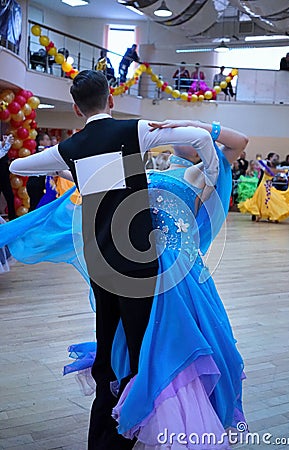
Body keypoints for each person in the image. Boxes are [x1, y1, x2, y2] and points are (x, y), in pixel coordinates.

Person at [10, 69, 224, 450]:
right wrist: (210, 169)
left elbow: (17, 167)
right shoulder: (133, 131)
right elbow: (200, 137)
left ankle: (107, 427)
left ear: (76, 109)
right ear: (111, 99)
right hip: (138, 263)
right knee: (141, 349)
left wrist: (66, 165)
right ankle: (136, 421)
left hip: (100, 262)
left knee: (108, 344)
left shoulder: (72, 147)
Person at [239, 153, 289, 222]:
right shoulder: (276, 170)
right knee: (270, 201)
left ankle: (259, 215)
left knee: (260, 201)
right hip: (269, 187)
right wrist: (287, 171)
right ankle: (270, 215)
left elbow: (261, 163)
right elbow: (285, 170)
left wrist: (258, 158)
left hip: (263, 187)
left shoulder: (267, 169)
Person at [26, 132, 51, 211]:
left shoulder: (46, 153)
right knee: (34, 205)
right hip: (35, 184)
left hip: (39, 184)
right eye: (46, 139)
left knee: (37, 205)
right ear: (41, 142)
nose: (49, 141)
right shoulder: (39, 154)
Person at [0, 134, 16, 221]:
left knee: (9, 196)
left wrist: (6, 143)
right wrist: (6, 144)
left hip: (4, 175)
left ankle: (12, 218)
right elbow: (1, 153)